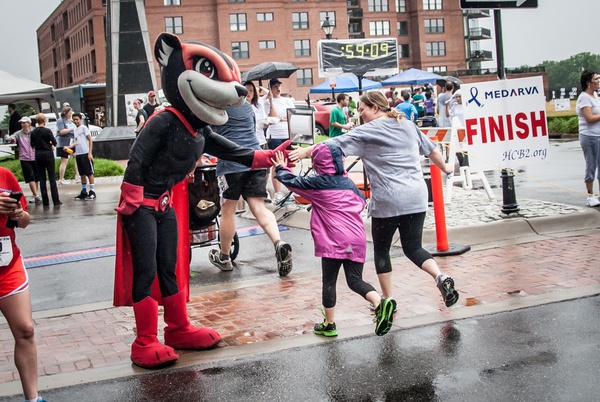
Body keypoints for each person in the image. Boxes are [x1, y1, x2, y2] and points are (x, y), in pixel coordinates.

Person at [289, 91, 459, 311]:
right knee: (414, 247)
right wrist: (446, 168)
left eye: (362, 110)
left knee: (382, 251)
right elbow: (432, 151)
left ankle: (388, 301)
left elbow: (331, 145)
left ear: (375, 108)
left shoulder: (365, 132)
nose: (360, 115)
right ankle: (440, 276)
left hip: (387, 199)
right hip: (416, 196)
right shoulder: (407, 125)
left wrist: (304, 152)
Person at [272, 143, 396, 337]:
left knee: (329, 282)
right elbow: (361, 202)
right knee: (355, 280)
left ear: (317, 162)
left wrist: (280, 167)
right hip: (356, 238)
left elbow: (291, 182)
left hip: (333, 239)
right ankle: (380, 303)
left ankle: (329, 325)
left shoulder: (318, 183)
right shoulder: (349, 184)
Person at [209, 101, 293, 276]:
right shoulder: (246, 106)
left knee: (228, 210)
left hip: (231, 163)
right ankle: (278, 242)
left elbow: (208, 135)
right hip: (256, 159)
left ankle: (224, 257)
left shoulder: (216, 106)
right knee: (259, 208)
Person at [0, 167, 46, 402]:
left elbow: (25, 220)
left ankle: (33, 399)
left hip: (8, 265)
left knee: (26, 330)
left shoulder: (5, 175)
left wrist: (19, 214)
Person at [266, 78, 295, 201]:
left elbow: (292, 114)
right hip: (275, 135)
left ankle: (292, 189)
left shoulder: (287, 101)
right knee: (276, 163)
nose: (278, 89)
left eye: (279, 86)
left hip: (287, 134)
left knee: (290, 161)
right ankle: (277, 191)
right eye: (275, 87)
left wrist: (281, 118)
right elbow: (272, 118)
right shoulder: (267, 102)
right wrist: (271, 102)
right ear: (270, 89)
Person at [576, 70, 600, 207]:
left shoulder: (596, 95)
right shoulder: (584, 97)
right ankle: (590, 195)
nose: (598, 81)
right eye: (596, 79)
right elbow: (589, 118)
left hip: (599, 134)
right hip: (589, 136)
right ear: (588, 82)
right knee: (591, 165)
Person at [30, 113, 61, 207]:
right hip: (48, 154)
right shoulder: (47, 131)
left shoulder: (33, 132)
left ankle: (45, 201)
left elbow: (32, 145)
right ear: (44, 121)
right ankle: (55, 200)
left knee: (42, 178)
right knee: (52, 177)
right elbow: (55, 143)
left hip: (38, 155)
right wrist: (50, 144)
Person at [8, 117, 42, 203]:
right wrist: (12, 139)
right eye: (21, 123)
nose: (22, 124)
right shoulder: (19, 133)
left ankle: (35, 194)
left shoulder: (35, 131)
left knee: (36, 177)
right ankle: (36, 195)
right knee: (30, 177)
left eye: (24, 123)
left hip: (35, 156)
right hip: (25, 157)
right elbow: (12, 138)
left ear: (29, 123)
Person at [64, 113, 96, 200]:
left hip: (85, 152)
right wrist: (68, 147)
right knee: (82, 173)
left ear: (80, 119)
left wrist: (90, 152)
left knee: (89, 172)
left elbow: (90, 139)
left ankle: (92, 191)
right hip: (79, 154)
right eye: (74, 119)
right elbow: (76, 142)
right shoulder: (75, 130)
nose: (75, 121)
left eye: (77, 119)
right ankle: (84, 191)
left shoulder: (84, 128)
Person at [56, 107, 76, 185]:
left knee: (76, 156)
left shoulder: (69, 121)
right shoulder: (60, 121)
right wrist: (71, 129)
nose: (70, 115)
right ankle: (61, 178)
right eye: (69, 113)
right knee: (64, 160)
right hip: (63, 143)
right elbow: (61, 131)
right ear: (65, 113)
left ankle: (77, 175)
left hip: (71, 142)